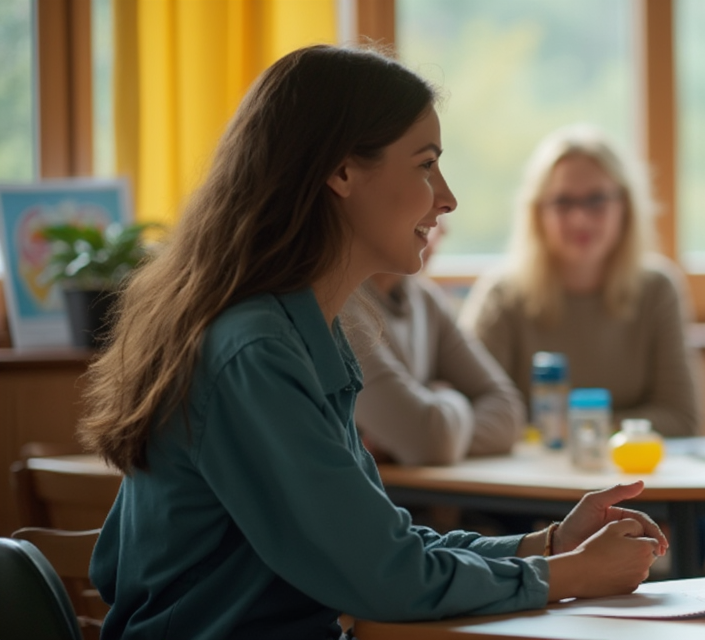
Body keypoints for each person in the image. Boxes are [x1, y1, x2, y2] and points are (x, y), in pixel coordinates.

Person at [78, 46, 666, 640]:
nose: (447, 197)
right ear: (340, 172)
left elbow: (387, 545)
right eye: (425, 165)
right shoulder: (254, 351)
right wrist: (564, 574)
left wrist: (549, 543)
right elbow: (386, 577)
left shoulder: (305, 330)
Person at [461, 125, 703, 438]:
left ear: (625, 207)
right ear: (537, 213)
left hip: (629, 477)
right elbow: (474, 413)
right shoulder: (502, 295)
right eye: (562, 202)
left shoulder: (658, 290)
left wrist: (574, 432)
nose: (580, 219)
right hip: (526, 481)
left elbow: (682, 418)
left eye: (596, 200)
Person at [345, 220, 526, 466]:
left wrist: (429, 431)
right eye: (426, 184)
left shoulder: (425, 299)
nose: (445, 225)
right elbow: (428, 443)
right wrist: (447, 401)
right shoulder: (339, 303)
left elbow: (509, 412)